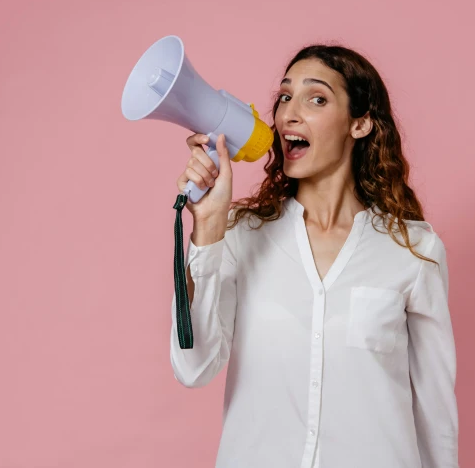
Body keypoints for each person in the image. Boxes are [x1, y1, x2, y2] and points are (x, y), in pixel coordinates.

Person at [170, 44, 458, 468]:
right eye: (284, 97)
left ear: (359, 124)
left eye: (316, 98)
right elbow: (192, 368)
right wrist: (209, 227)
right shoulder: (239, 236)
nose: (288, 114)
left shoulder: (412, 251)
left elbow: (435, 411)